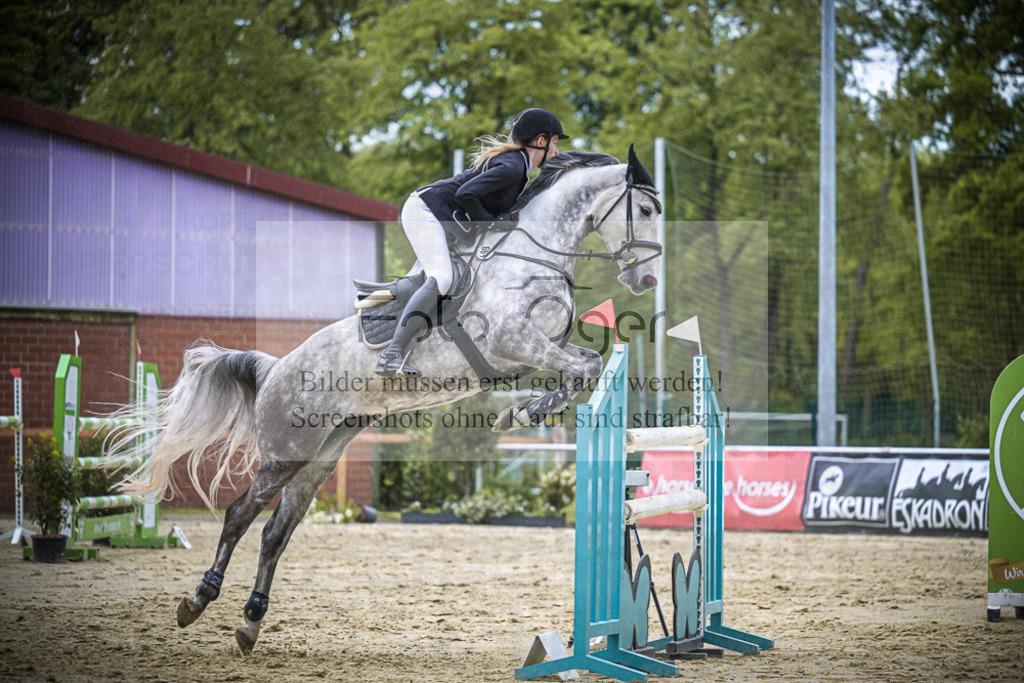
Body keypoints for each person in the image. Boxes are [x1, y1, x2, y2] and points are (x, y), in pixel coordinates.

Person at [375, 108, 569, 378]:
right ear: (540, 141)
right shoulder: (514, 167)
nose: (557, 151)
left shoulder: (520, 168)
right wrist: (490, 221)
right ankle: (392, 355)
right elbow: (467, 194)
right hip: (425, 211)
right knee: (442, 278)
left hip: (444, 216)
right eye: (555, 142)